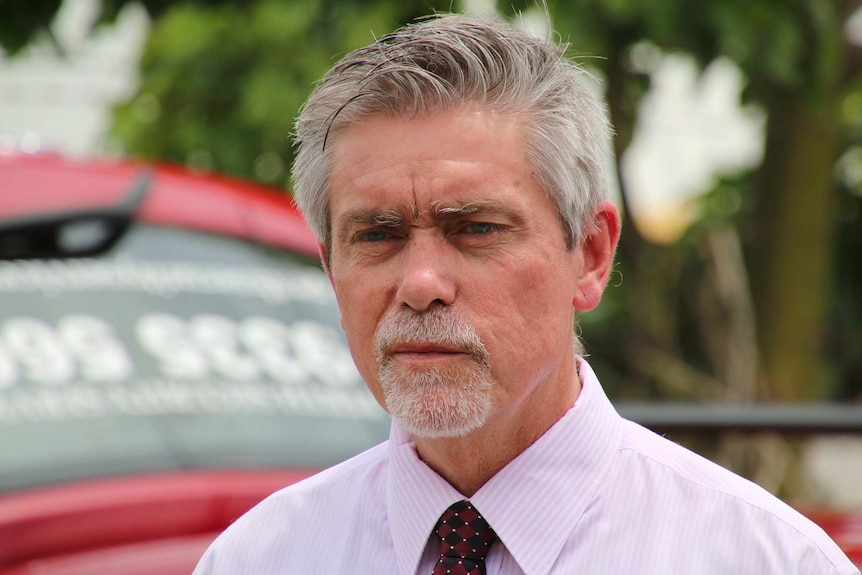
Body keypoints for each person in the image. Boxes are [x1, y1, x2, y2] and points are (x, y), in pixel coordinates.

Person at [193, 13, 859, 575]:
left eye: (476, 228)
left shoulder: (760, 558)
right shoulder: (260, 557)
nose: (421, 283)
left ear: (591, 254)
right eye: (376, 234)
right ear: (330, 269)